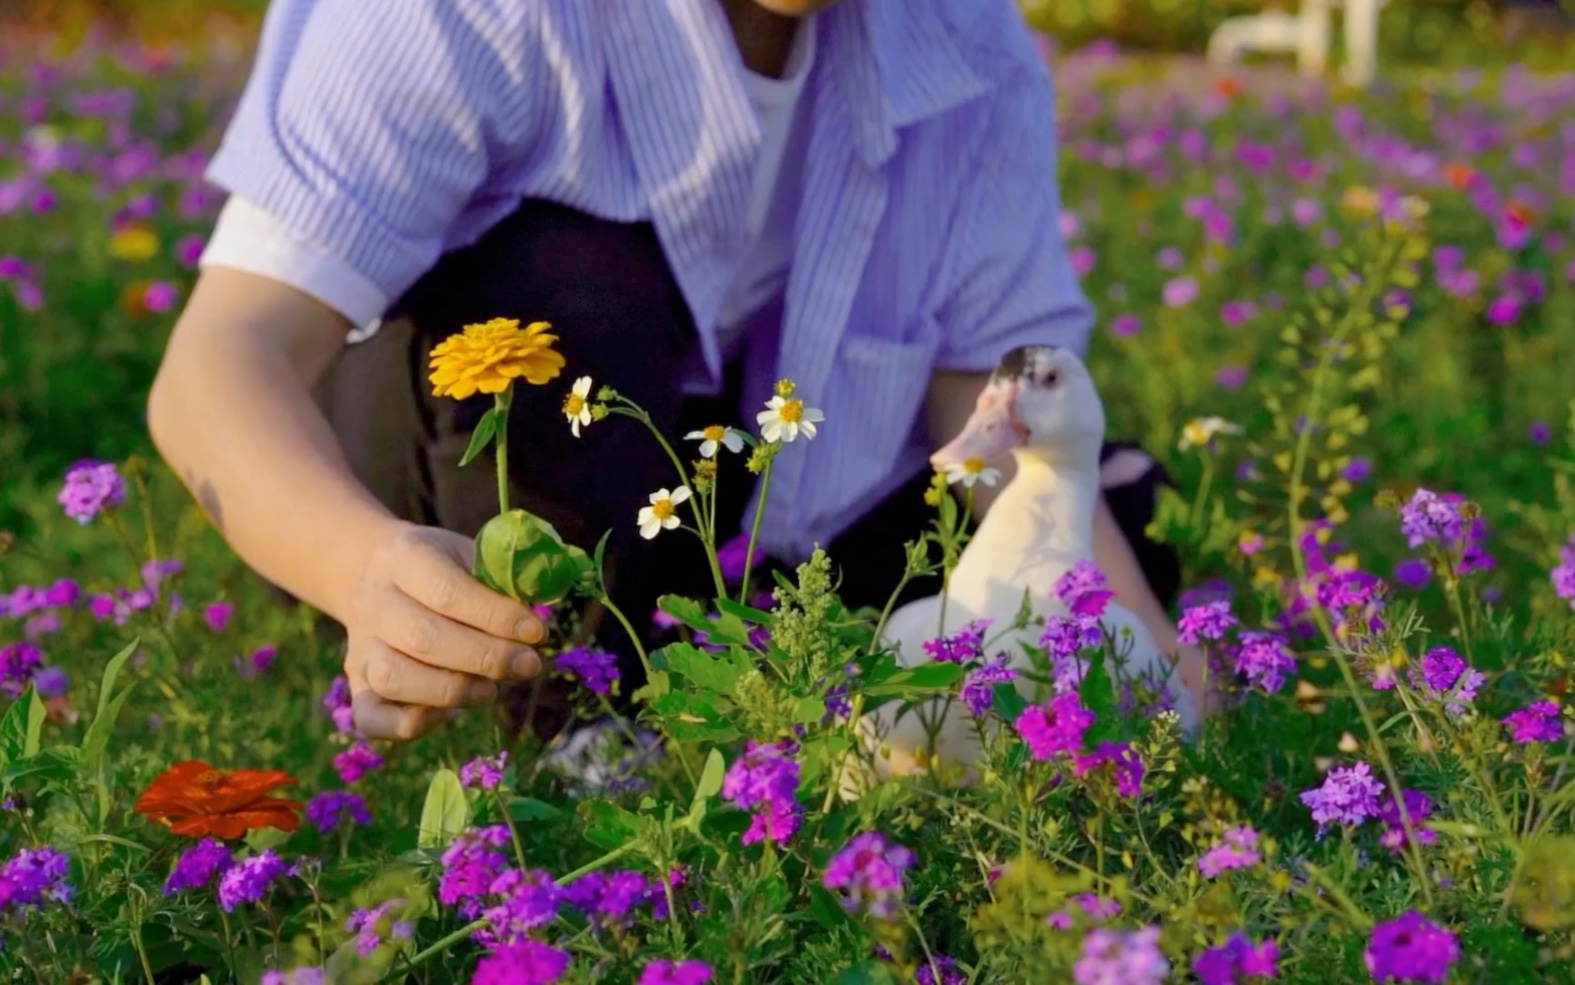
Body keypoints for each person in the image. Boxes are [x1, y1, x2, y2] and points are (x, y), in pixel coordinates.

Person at [148, 0, 1208, 742]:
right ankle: (567, 727)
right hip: (465, 519)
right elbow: (222, 359)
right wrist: (361, 570)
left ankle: (738, 712)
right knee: (570, 283)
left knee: (1112, 517)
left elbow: (999, 426)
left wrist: (1169, 693)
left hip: (753, 532)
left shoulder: (969, 40)